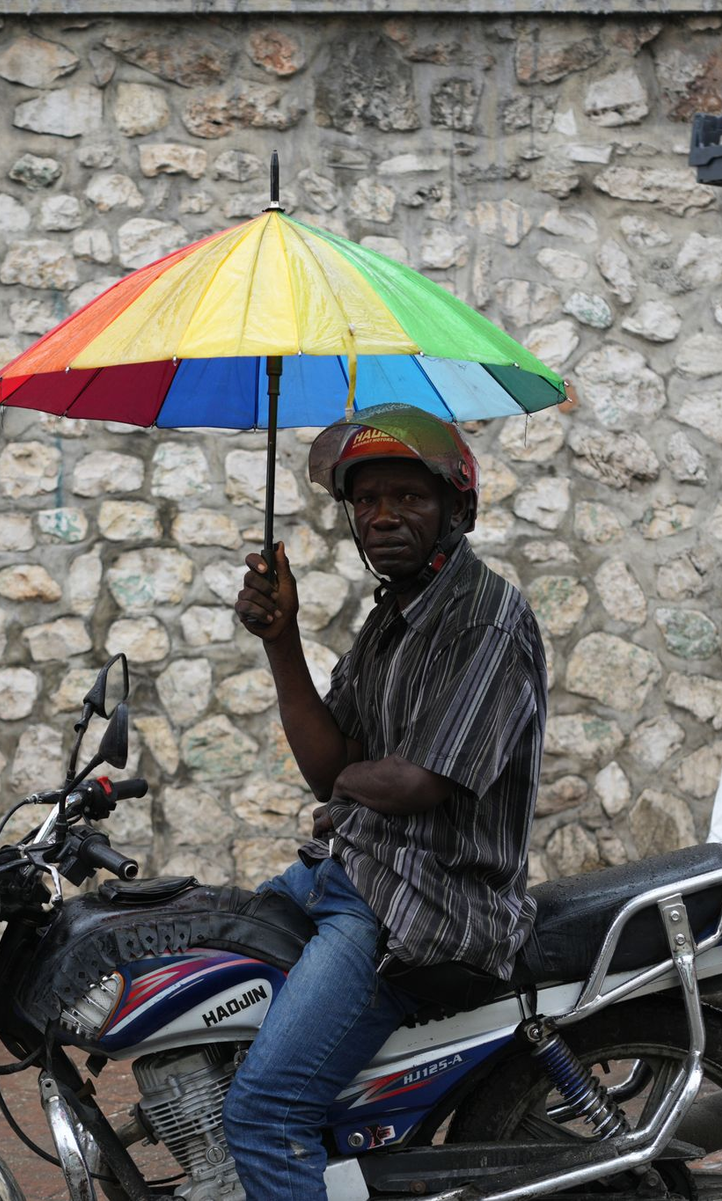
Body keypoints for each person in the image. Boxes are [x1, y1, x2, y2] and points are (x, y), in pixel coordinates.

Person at [224, 403, 547, 1197]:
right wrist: (281, 639)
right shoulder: (390, 621)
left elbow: (414, 782)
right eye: (367, 499)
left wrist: (350, 782)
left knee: (265, 1112)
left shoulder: (487, 620)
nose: (383, 516)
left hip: (423, 904)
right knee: (197, 953)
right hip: (353, 872)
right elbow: (330, 764)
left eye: (408, 496)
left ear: (457, 510)